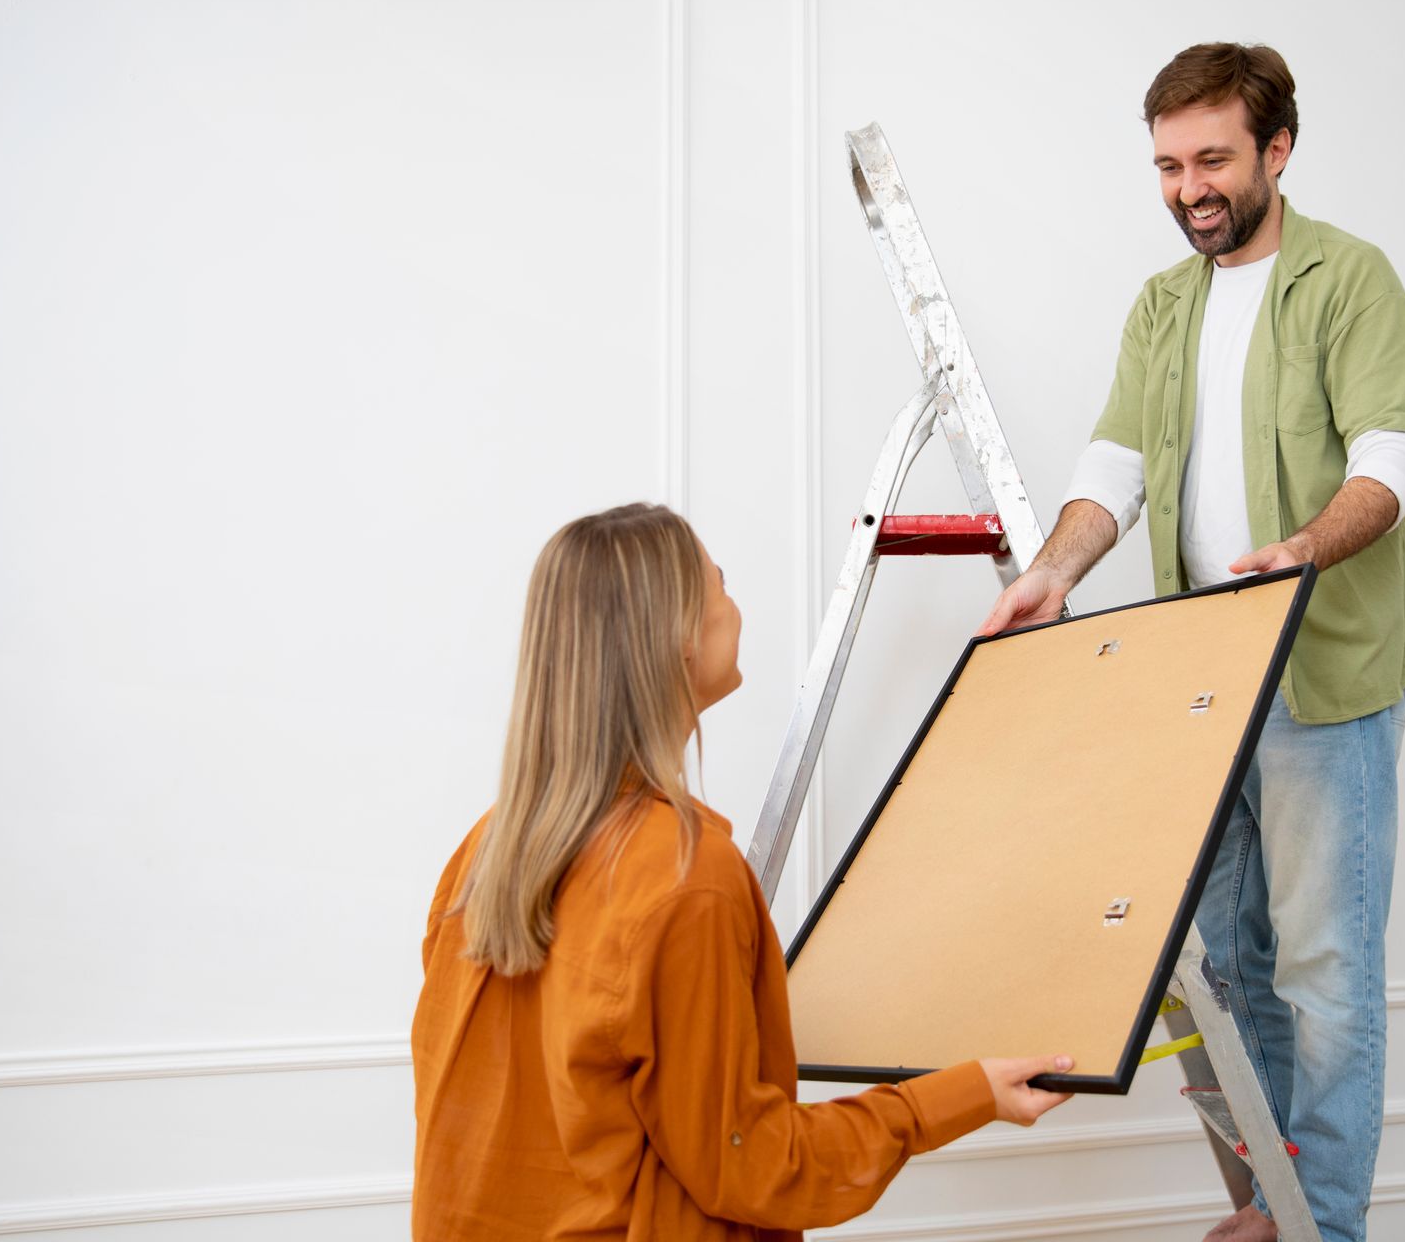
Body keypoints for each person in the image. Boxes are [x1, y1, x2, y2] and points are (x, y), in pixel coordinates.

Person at [978, 44, 1405, 1242]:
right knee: (1222, 969)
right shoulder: (1163, 304)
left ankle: (1324, 1221)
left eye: (1213, 159)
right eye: (1169, 164)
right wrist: (1053, 572)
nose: (1190, 186)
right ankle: (1265, 1203)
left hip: (1323, 674)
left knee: (1325, 970)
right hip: (1200, 682)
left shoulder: (1351, 279)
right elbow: (1117, 465)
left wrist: (1305, 548)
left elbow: (1391, 454)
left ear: (1276, 150)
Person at [413, 503, 1073, 1241]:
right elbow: (755, 1167)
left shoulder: (482, 855)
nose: (735, 604)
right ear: (677, 637)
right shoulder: (686, 877)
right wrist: (961, 1094)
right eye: (719, 582)